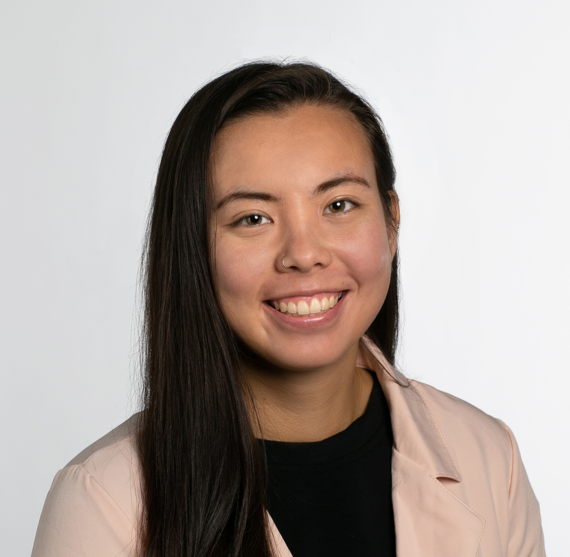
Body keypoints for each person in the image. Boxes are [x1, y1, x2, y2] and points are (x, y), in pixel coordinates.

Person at [31, 62, 545, 557]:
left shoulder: (488, 456)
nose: (303, 254)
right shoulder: (103, 501)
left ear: (391, 222)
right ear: (192, 247)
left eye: (338, 205)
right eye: (253, 218)